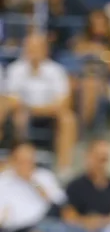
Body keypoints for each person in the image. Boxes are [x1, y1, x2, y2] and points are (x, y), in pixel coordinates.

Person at [5, 33, 77, 169]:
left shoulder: (57, 71)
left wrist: (39, 109)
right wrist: (30, 109)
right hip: (23, 112)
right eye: (30, 48)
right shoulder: (15, 69)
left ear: (45, 49)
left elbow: (63, 102)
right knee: (18, 115)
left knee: (68, 119)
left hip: (50, 113)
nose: (33, 52)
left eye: (36, 48)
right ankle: (18, 160)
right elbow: (11, 99)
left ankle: (64, 167)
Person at [0, 142, 67, 232]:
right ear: (13, 160)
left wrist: (32, 181)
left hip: (41, 226)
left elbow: (60, 204)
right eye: (21, 160)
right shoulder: (3, 180)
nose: (26, 164)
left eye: (29, 160)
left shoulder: (45, 176)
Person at [62, 139, 110, 231]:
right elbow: (69, 217)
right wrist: (88, 221)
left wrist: (99, 222)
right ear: (88, 157)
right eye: (97, 158)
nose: (101, 164)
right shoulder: (75, 186)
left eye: (104, 159)